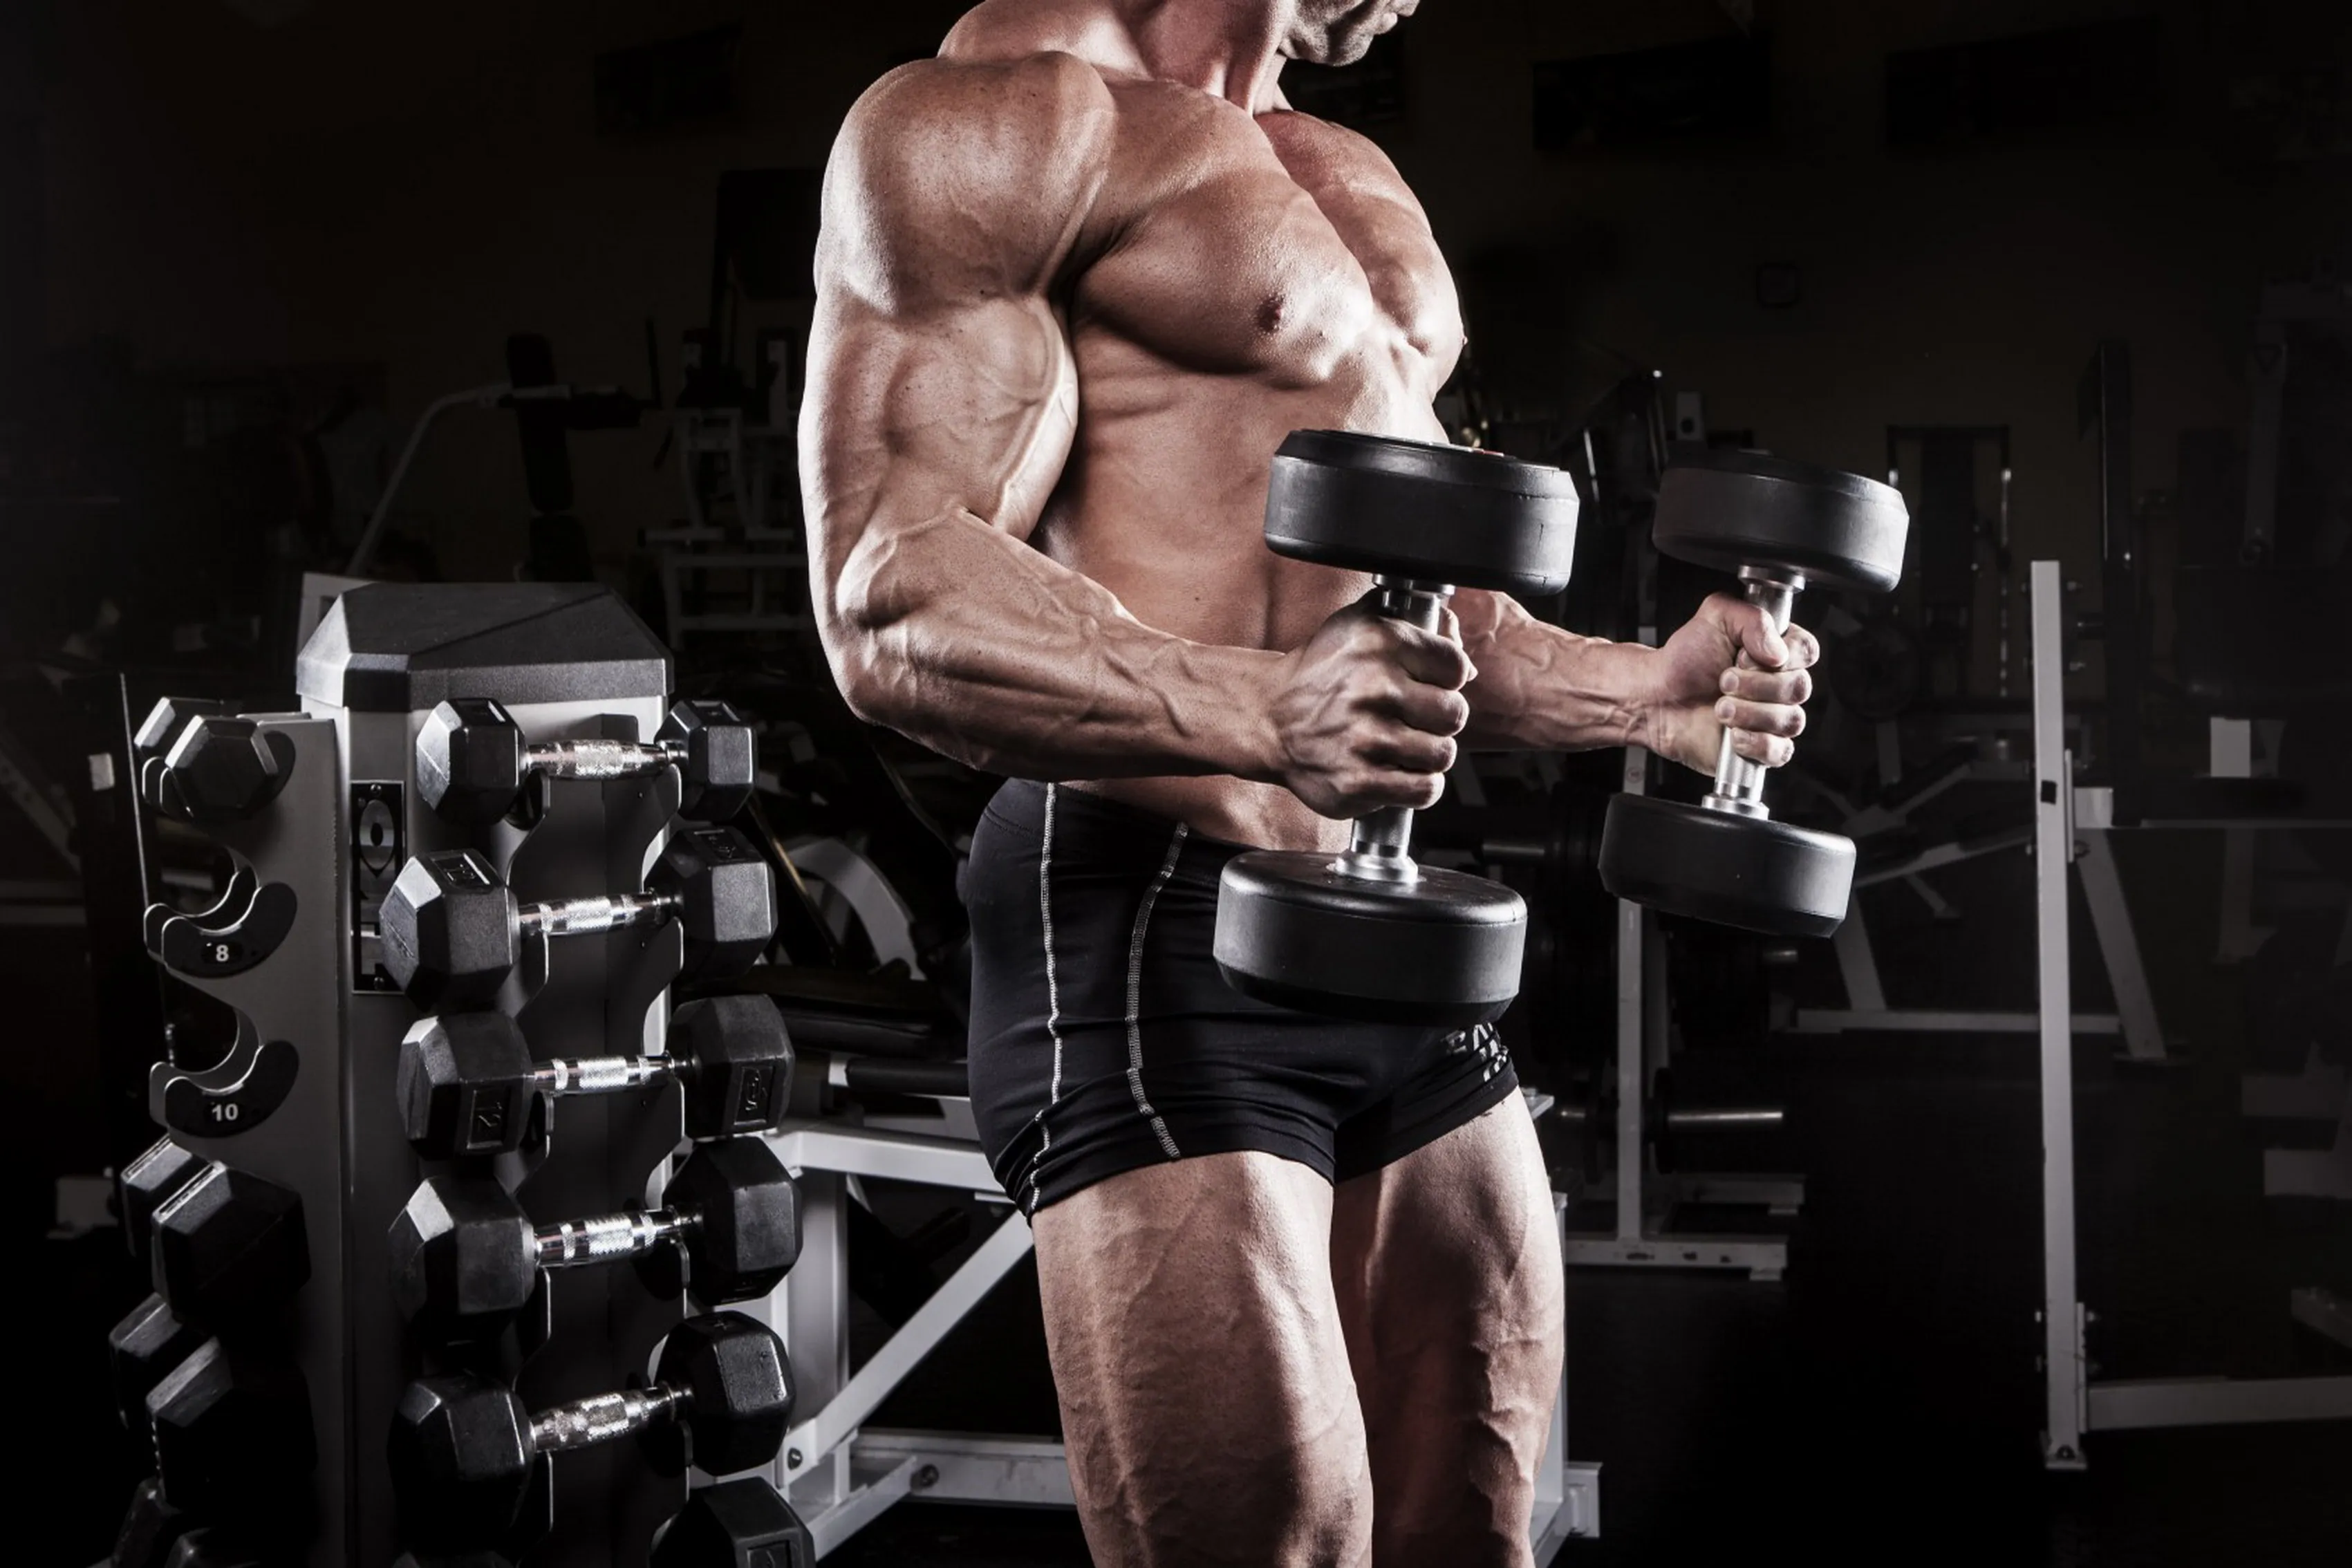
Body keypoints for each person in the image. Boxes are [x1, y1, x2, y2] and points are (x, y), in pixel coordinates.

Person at [798, 2, 1820, 1562]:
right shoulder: (990, 126)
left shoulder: (1345, 171)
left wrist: (1646, 693)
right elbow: (892, 587)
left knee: (1475, 1518)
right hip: (1150, 914)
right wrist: (1266, 708)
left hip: (1378, 923)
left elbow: (1416, 611)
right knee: (1278, 1539)